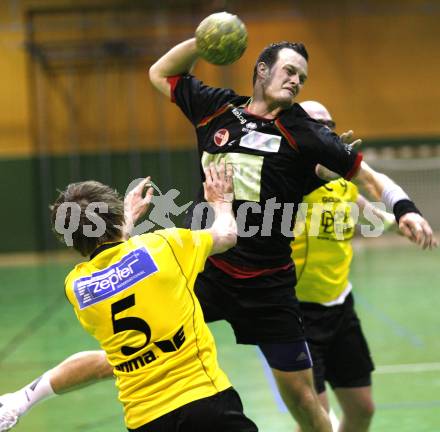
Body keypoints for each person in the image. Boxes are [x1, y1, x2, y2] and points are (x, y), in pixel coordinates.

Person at [0, 36, 436, 432]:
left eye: (302, 77)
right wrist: (203, 40)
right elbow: (161, 72)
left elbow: (369, 177)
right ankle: (22, 398)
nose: (296, 82)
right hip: (206, 269)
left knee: (303, 398)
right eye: (288, 71)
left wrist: (405, 210)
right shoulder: (216, 108)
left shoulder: (306, 133)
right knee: (128, 356)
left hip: (268, 285)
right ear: (261, 70)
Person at [0, 162, 259, 432]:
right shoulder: (165, 246)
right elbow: (226, 235)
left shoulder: (76, 286)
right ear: (115, 218)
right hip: (205, 401)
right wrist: (221, 202)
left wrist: (122, 221)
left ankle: (20, 400)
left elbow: (115, 260)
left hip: (145, 420)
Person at [293, 100, 395, 432]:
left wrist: (395, 219)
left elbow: (363, 204)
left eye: (330, 124)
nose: (325, 129)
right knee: (316, 420)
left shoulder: (342, 180)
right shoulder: (287, 178)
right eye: (315, 123)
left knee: (362, 409)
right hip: (297, 314)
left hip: (340, 306)